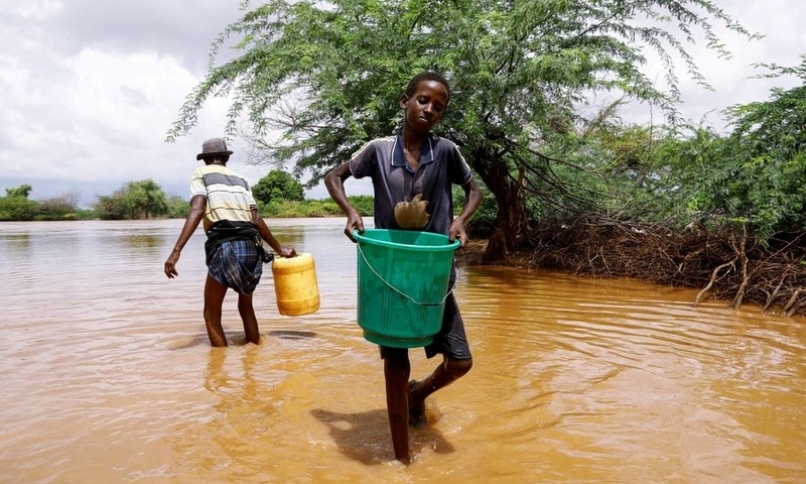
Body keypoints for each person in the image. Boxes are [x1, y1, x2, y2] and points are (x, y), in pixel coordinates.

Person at [324, 72, 482, 464]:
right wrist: (350, 211)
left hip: (433, 273)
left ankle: (418, 394)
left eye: (438, 106)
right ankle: (402, 461)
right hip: (390, 273)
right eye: (423, 100)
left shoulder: (445, 151)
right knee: (396, 361)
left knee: (460, 361)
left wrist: (459, 221)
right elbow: (334, 176)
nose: (429, 109)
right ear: (405, 101)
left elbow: (474, 189)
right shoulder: (378, 150)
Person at [164, 138, 296, 347]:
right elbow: (256, 220)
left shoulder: (201, 174)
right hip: (253, 248)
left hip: (226, 246)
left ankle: (219, 369)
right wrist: (279, 248)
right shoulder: (241, 179)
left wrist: (176, 251)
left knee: (211, 313)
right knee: (246, 307)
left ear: (205, 160)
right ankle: (254, 355)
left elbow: (198, 209)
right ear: (226, 157)